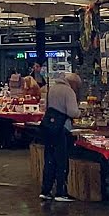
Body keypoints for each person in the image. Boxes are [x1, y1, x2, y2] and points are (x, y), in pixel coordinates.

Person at [40, 72, 82, 202]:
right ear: (73, 83)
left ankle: (46, 190)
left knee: (49, 159)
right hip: (62, 128)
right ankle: (60, 191)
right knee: (62, 160)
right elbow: (72, 112)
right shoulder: (68, 91)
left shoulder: (52, 89)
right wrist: (80, 113)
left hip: (49, 127)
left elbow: (46, 107)